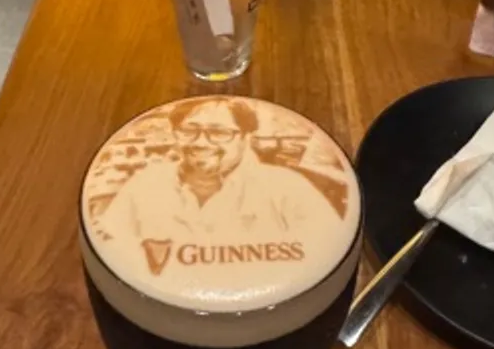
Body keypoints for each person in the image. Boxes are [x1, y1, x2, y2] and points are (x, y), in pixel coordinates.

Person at [96, 97, 342, 251]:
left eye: (219, 133)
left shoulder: (288, 188)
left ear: (245, 138)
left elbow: (327, 246)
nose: (201, 142)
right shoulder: (145, 184)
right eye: (189, 131)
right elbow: (111, 245)